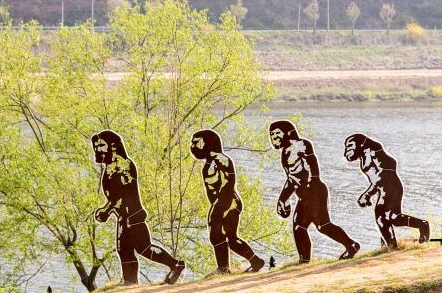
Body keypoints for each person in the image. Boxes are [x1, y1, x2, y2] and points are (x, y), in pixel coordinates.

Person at [92, 130, 186, 284]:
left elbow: (121, 194)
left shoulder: (122, 165)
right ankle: (130, 280)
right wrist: (108, 209)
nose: (98, 149)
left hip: (132, 215)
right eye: (96, 146)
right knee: (128, 250)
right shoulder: (111, 166)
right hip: (125, 215)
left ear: (113, 146)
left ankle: (174, 265)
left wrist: (106, 210)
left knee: (141, 248)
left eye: (102, 145)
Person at [269, 120, 361, 263]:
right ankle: (305, 261)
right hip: (305, 195)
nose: (273, 138)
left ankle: (351, 245)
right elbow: (292, 178)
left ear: (288, 133)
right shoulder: (285, 152)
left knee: (322, 226)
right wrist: (283, 199)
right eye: (271, 135)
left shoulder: (302, 145)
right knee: (301, 227)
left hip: (314, 192)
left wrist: (307, 194)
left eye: (277, 134)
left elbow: (313, 172)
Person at [190, 129, 265, 273]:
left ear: (208, 143)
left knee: (230, 237)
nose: (193, 148)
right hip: (218, 204)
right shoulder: (208, 163)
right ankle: (224, 267)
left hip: (229, 203)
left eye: (196, 144)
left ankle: (253, 261)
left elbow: (228, 186)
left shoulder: (221, 159)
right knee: (217, 237)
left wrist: (219, 209)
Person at [344, 133, 430, 248]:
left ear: (360, 144)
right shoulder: (365, 155)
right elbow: (377, 178)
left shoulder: (374, 151)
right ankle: (393, 246)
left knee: (387, 218)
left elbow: (382, 175)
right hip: (382, 187)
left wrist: (367, 194)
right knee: (388, 219)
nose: (347, 150)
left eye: (350, 146)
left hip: (391, 186)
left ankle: (418, 228)